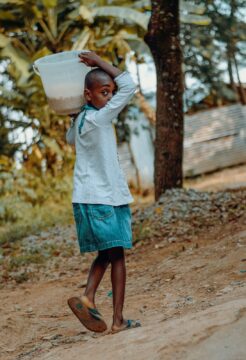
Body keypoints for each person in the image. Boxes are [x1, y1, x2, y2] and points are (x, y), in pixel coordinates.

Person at [66, 51, 141, 334]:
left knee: (107, 253)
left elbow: (69, 139)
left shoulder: (83, 120)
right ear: (88, 95)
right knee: (117, 254)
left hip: (88, 198)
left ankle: (89, 296)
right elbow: (130, 85)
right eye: (104, 92)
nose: (110, 98)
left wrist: (75, 114)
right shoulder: (99, 118)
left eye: (111, 93)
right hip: (104, 197)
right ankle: (115, 318)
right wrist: (98, 60)